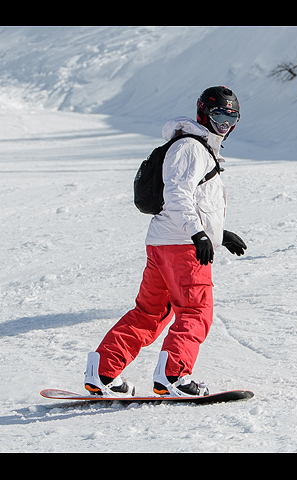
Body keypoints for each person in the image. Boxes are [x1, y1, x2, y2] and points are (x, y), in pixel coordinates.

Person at [84, 86, 247, 397]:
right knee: (196, 311)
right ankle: (173, 375)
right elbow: (177, 194)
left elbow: (194, 200)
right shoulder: (191, 147)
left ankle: (104, 372)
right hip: (182, 245)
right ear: (203, 113)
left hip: (166, 242)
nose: (224, 124)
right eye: (218, 116)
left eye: (230, 117)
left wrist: (218, 234)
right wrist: (197, 233)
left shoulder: (196, 147)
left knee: (149, 313)